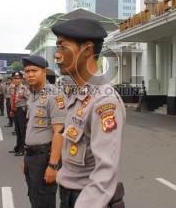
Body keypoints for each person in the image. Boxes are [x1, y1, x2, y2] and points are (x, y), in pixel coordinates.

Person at [52, 17, 126, 208]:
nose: (57, 55)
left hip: (89, 200)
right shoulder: (79, 94)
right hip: (69, 195)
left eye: (62, 46)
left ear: (86, 49)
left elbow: (105, 173)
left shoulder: (104, 100)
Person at [20, 55, 66, 208]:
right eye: (27, 71)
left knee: (44, 201)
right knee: (34, 198)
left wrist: (53, 165)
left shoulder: (55, 96)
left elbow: (59, 132)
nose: (30, 74)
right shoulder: (32, 96)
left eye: (34, 70)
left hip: (44, 158)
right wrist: (26, 158)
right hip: (31, 157)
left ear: (44, 72)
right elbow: (32, 129)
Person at [9, 72, 29, 156]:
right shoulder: (13, 89)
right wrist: (12, 110)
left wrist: (27, 112)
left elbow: (29, 100)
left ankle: (22, 149)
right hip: (15, 110)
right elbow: (12, 101)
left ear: (21, 80)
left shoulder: (24, 89)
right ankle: (17, 147)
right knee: (17, 130)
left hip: (22, 111)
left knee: (22, 131)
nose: (16, 80)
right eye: (14, 78)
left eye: (18, 78)